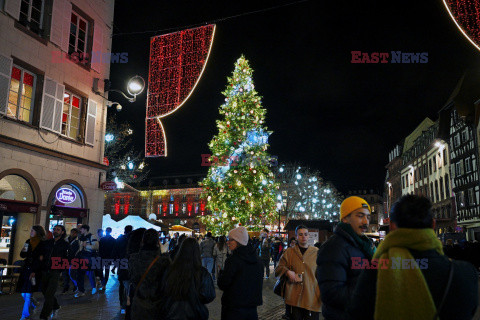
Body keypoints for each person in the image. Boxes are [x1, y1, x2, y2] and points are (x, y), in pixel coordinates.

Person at [348, 195, 479, 320]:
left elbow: (356, 313)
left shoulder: (375, 270)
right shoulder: (465, 273)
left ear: (392, 226)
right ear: (433, 225)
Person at [316, 196, 375, 320]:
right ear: (345, 218)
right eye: (360, 216)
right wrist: (372, 289)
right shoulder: (334, 247)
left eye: (368, 217)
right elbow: (332, 294)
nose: (366, 222)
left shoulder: (365, 245)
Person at [161, 237, 216, 319]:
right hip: (195, 314)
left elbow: (163, 289)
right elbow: (209, 295)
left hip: (171, 313)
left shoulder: (170, 270)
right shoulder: (202, 273)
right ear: (197, 252)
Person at [275, 225, 321, 320]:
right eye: (300, 234)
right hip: (294, 298)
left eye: (305, 234)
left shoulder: (316, 253)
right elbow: (278, 268)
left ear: (308, 236)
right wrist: (287, 272)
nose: (303, 236)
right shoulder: (289, 252)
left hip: (311, 297)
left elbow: (323, 273)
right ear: (296, 236)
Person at [218, 226, 263, 320]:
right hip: (251, 310)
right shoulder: (258, 260)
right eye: (227, 239)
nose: (227, 242)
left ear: (238, 241)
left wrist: (221, 273)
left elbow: (223, 284)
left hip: (233, 309)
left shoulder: (233, 260)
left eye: (231, 240)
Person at [129, 229, 170, 320]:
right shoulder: (164, 261)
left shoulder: (133, 258)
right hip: (158, 307)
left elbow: (132, 278)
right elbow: (167, 284)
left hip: (138, 306)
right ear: (157, 241)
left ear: (143, 241)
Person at [39, 225, 69, 320]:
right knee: (44, 291)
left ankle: (44, 315)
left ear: (62, 232)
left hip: (55, 271)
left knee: (49, 294)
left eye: (58, 230)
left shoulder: (65, 244)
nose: (55, 231)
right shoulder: (48, 242)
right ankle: (55, 306)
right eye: (55, 229)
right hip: (45, 270)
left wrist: (61, 270)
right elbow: (42, 252)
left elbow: (66, 258)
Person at [18, 225, 46, 320]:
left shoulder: (42, 244)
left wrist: (35, 271)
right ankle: (33, 303)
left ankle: (25, 315)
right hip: (26, 269)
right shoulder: (28, 242)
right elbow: (22, 255)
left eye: (33, 230)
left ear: (37, 232)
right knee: (23, 293)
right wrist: (25, 248)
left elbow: (40, 260)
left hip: (35, 270)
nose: (31, 232)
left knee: (28, 293)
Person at [75, 224, 99, 297]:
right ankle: (81, 290)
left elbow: (96, 246)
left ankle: (93, 286)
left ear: (85, 229)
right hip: (81, 257)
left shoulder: (92, 236)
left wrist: (86, 246)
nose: (80, 230)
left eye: (81, 229)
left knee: (89, 273)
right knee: (80, 274)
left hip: (88, 257)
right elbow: (80, 248)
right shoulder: (81, 237)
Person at [114, 225, 133, 314]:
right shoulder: (133, 240)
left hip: (121, 264)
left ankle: (123, 305)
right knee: (129, 285)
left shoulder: (119, 239)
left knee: (122, 285)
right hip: (130, 264)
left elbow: (115, 252)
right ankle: (128, 304)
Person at [62, 228, 79, 294]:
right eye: (72, 232)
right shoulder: (66, 239)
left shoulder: (78, 241)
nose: (73, 234)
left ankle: (75, 286)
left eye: (75, 233)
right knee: (65, 274)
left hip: (73, 259)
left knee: (72, 274)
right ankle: (66, 287)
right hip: (66, 259)